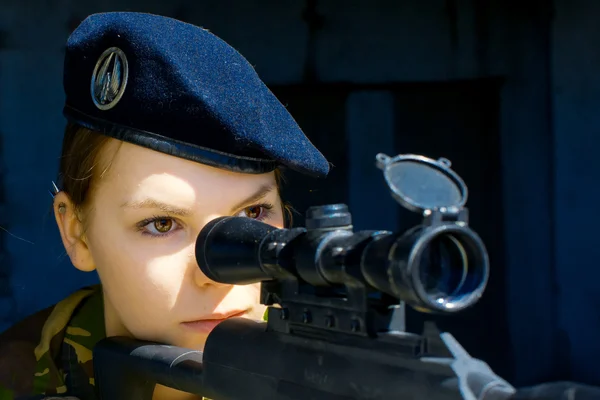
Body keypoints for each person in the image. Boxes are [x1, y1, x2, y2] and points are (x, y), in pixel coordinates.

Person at [0, 11, 329, 400]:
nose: (218, 277)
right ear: (78, 234)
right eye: (161, 224)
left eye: (252, 215)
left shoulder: (328, 375)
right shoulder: (18, 377)